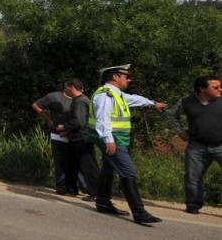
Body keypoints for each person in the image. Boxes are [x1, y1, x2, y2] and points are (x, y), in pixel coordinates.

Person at [88, 64, 167, 225]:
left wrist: (152, 103)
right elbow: (103, 119)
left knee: (109, 167)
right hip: (111, 138)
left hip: (113, 137)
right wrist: (108, 140)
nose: (128, 80)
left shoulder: (117, 95)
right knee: (128, 170)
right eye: (126, 77)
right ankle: (139, 212)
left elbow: (134, 99)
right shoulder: (105, 95)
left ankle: (103, 202)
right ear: (115, 77)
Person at [166, 75, 222, 214]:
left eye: (220, 86)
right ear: (202, 89)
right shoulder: (186, 102)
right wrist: (179, 131)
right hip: (197, 146)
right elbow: (171, 114)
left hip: (221, 146)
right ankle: (193, 205)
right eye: (215, 87)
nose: (220, 89)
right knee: (192, 177)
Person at [56, 78, 99, 199]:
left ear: (72, 87)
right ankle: (71, 188)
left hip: (82, 139)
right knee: (71, 164)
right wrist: (68, 132)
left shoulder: (80, 102)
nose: (65, 91)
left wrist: (63, 127)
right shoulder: (81, 100)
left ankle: (96, 192)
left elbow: (79, 122)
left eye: (66, 88)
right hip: (77, 137)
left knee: (88, 165)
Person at [32, 83, 73, 194]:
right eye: (72, 87)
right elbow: (36, 105)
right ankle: (60, 185)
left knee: (74, 160)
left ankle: (75, 186)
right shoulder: (53, 96)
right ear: (67, 87)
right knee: (60, 160)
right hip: (57, 133)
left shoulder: (78, 98)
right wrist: (48, 119)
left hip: (73, 134)